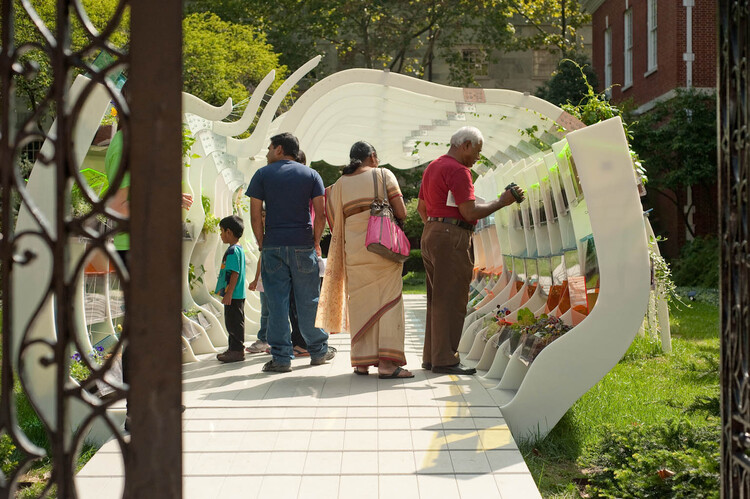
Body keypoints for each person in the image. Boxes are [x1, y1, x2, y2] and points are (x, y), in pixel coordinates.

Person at [417, 126, 524, 375]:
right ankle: (445, 360)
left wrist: (438, 227)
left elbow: (422, 208)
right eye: (477, 151)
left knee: (437, 299)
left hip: (431, 233)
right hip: (451, 236)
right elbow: (470, 212)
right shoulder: (459, 170)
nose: (478, 157)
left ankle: (432, 357)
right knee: (453, 299)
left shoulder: (433, 167)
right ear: (465, 145)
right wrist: (502, 201)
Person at [317, 141, 414, 379]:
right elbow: (401, 211)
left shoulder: (338, 185)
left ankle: (362, 362)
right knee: (389, 303)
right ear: (372, 156)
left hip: (354, 253)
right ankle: (388, 364)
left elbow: (332, 219)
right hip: (381, 248)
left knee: (360, 303)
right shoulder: (382, 175)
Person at [246, 133, 334, 373]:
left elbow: (255, 215)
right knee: (309, 301)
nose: (266, 153)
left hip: (274, 245)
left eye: (269, 148)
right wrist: (315, 241)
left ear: (279, 149)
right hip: (303, 244)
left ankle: (281, 359)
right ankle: (318, 351)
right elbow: (321, 213)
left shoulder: (263, 175)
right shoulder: (311, 174)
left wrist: (263, 243)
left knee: (277, 304)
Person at [214, 215, 247, 363]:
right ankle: (233, 348)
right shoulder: (238, 249)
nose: (220, 235)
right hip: (236, 294)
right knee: (232, 321)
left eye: (221, 231)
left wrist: (229, 293)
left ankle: (237, 351)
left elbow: (235, 272)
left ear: (229, 232)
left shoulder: (233, 251)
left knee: (233, 323)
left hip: (234, 294)